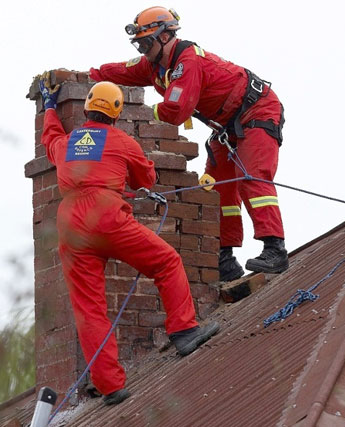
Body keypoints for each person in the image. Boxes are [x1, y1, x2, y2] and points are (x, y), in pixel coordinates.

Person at [38, 71, 220, 406]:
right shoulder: (121, 141)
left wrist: (50, 106)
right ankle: (184, 331)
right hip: (107, 215)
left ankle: (110, 387)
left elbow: (50, 138)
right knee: (166, 262)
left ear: (88, 108)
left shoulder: (67, 144)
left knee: (90, 309)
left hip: (71, 224)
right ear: (117, 112)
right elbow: (145, 177)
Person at [89, 6, 289, 282]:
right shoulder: (154, 65)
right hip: (227, 125)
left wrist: (145, 113)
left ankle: (274, 248)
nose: (143, 50)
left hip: (257, 111)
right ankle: (225, 259)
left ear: (164, 36)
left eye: (146, 43)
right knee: (218, 187)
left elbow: (176, 110)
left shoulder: (188, 61)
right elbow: (123, 70)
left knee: (253, 178)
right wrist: (92, 76)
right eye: (140, 44)